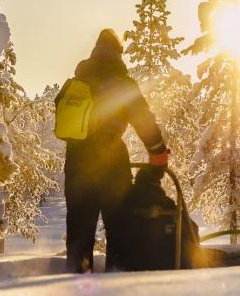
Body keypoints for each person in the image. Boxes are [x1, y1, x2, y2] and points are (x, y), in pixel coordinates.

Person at [59, 29, 169, 273]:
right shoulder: (123, 84)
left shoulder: (77, 83)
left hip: (77, 162)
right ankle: (117, 283)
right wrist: (159, 154)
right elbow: (145, 122)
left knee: (79, 229)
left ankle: (76, 284)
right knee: (119, 228)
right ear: (119, 54)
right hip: (111, 162)